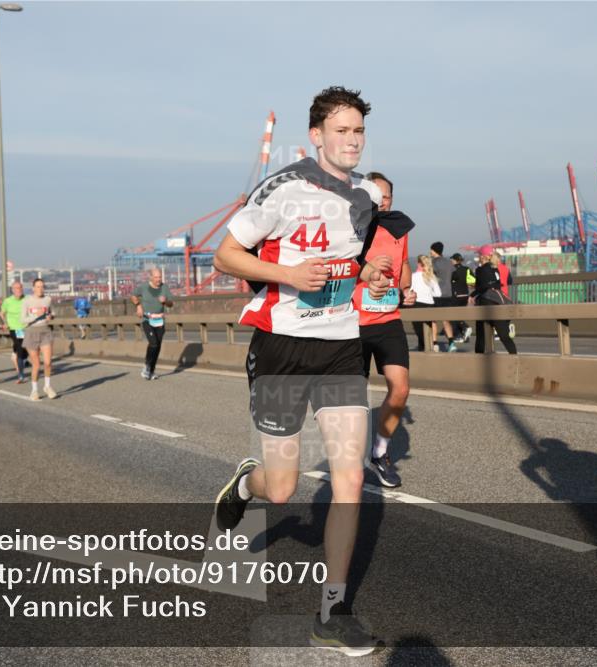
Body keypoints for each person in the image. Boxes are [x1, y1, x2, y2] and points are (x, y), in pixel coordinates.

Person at [212, 86, 390, 656]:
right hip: (282, 348)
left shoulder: (366, 196)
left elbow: (347, 261)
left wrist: (367, 275)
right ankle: (248, 483)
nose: (352, 141)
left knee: (350, 479)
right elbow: (225, 255)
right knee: (284, 488)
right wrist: (289, 275)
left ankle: (332, 612)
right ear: (316, 136)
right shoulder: (283, 187)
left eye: (358, 131)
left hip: (340, 346)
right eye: (341, 131)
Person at [354, 171, 416, 488]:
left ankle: (379, 453)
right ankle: (348, 457)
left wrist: (406, 290)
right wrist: (365, 270)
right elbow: (337, 267)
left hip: (388, 319)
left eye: (387, 196)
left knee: (400, 388)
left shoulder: (399, 228)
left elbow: (403, 264)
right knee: (353, 398)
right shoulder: (351, 227)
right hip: (353, 322)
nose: (382, 201)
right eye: (376, 196)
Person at [470, 245, 517, 354]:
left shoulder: (480, 269)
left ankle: (478, 358)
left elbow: (482, 287)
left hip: (486, 302)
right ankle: (514, 357)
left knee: (481, 335)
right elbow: (499, 284)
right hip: (499, 300)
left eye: (479, 255)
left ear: (483, 256)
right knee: (504, 336)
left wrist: (472, 294)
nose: (478, 257)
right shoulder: (496, 268)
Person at [131, 268, 174, 380]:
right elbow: (133, 295)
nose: (158, 279)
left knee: (157, 346)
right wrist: (138, 306)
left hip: (160, 320)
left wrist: (165, 301)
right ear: (150, 277)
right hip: (147, 320)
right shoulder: (144, 287)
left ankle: (152, 370)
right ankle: (147, 366)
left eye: (160, 277)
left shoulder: (164, 287)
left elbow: (171, 304)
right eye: (156, 277)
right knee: (153, 343)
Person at [21, 278, 58, 400]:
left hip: (45, 332)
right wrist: (35, 315)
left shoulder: (48, 300)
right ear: (33, 288)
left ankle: (47, 386)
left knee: (48, 362)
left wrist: (50, 316)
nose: (40, 289)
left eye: (42, 286)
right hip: (31, 332)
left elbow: (53, 312)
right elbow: (22, 319)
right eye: (38, 286)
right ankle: (34, 390)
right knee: (36, 364)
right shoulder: (27, 300)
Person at [409, 255, 441, 351]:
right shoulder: (431, 276)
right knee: (429, 329)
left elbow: (410, 291)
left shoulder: (413, 276)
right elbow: (438, 294)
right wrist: (428, 293)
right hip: (430, 304)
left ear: (419, 264)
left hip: (417, 304)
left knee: (419, 331)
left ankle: (423, 348)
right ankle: (431, 346)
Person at [429, 242, 457, 350]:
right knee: (446, 320)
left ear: (434, 250)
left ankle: (434, 343)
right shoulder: (449, 262)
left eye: (431, 250)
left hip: (436, 295)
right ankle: (451, 342)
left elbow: (430, 276)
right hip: (448, 294)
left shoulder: (433, 263)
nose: (430, 252)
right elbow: (455, 275)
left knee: (433, 320)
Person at [1, 280, 29, 383]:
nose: (19, 290)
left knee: (26, 350)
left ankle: (17, 355)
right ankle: (21, 375)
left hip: (27, 327)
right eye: (16, 288)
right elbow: (2, 313)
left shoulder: (28, 299)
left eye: (20, 287)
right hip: (15, 328)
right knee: (21, 349)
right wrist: (5, 323)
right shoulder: (7, 301)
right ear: (12, 290)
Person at [449, 252, 474, 343]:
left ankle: (464, 328)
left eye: (452, 259)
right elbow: (473, 280)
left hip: (455, 295)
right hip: (465, 295)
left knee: (453, 316)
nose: (451, 261)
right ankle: (464, 336)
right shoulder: (467, 269)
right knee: (459, 315)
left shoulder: (452, 269)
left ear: (455, 260)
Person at [491, 249, 516, 339]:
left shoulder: (492, 269)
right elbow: (510, 281)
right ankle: (508, 328)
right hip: (505, 293)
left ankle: (498, 333)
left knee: (496, 313)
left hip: (496, 293)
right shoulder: (505, 268)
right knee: (504, 312)